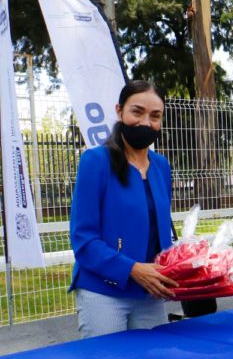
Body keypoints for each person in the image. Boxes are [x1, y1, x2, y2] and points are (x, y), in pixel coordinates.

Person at [69, 80, 177, 338]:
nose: (145, 123)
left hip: (151, 292)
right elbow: (83, 240)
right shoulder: (95, 161)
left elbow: (160, 231)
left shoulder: (161, 166)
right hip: (103, 293)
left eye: (155, 116)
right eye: (137, 112)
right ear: (120, 111)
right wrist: (133, 270)